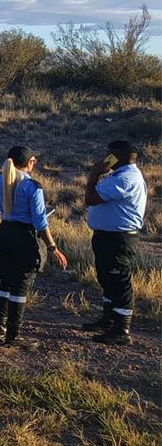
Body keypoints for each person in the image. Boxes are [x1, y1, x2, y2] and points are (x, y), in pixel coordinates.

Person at [0, 146, 68, 346]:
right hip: (24, 236)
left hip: (4, 232)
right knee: (21, 285)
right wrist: (53, 247)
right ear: (29, 162)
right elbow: (40, 222)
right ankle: (13, 337)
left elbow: (0, 207)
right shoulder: (32, 187)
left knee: (5, 282)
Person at [81, 140, 148, 346]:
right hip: (108, 236)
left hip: (118, 238)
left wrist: (94, 173)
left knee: (119, 280)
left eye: (109, 154)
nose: (105, 158)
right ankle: (109, 320)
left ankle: (121, 329)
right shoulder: (120, 176)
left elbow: (91, 198)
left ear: (118, 156)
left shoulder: (126, 178)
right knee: (107, 277)